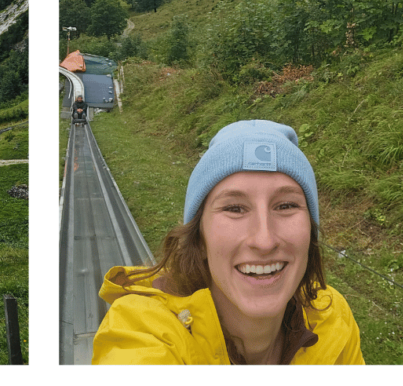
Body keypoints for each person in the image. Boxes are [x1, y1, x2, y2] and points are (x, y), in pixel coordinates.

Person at [91, 120, 364, 365]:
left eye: (286, 205)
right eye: (235, 208)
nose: (264, 240)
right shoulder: (142, 334)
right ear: (199, 239)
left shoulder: (332, 317)